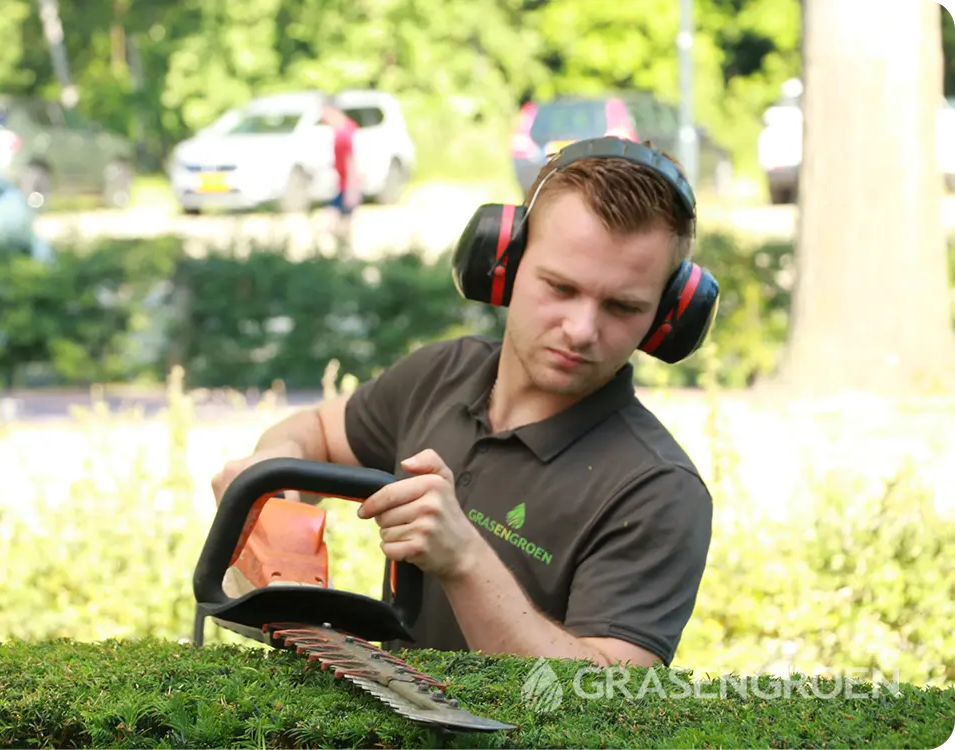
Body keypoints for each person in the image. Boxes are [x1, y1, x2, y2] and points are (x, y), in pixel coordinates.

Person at [210, 137, 715, 669]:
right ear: (503, 264)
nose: (581, 330)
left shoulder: (658, 492)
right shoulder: (442, 374)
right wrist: (270, 481)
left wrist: (465, 560)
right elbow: (315, 430)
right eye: (560, 288)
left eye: (622, 306)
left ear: (667, 317)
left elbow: (609, 703)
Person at [318, 97, 360, 253]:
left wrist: (352, 190)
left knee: (332, 223)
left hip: (348, 187)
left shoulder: (346, 133)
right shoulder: (339, 132)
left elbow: (353, 162)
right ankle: (344, 255)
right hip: (342, 185)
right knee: (342, 226)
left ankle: (346, 256)